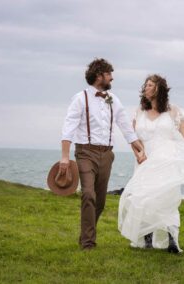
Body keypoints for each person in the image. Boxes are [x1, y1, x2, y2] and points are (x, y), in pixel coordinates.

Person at [118, 74, 184, 253]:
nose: (146, 88)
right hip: (145, 160)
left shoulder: (173, 111)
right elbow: (133, 137)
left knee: (167, 199)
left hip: (167, 159)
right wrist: (138, 153)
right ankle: (147, 239)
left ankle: (172, 241)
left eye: (150, 85)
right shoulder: (139, 111)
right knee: (144, 198)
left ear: (158, 89)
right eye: (146, 85)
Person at [60, 58, 146, 250]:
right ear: (99, 75)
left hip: (107, 154)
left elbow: (126, 127)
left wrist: (140, 150)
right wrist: (65, 157)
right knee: (88, 194)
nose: (112, 78)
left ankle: (85, 235)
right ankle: (88, 242)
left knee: (100, 200)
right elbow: (68, 128)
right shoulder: (80, 98)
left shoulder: (113, 100)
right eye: (109, 75)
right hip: (85, 152)